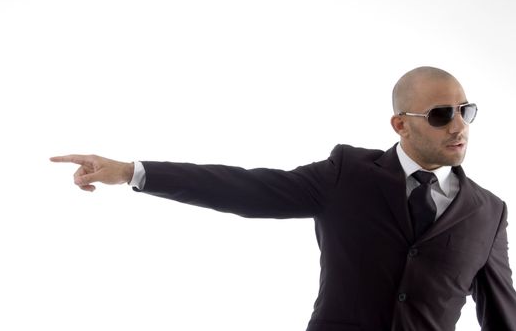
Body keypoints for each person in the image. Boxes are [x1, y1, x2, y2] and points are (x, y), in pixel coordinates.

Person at [51, 66, 516, 330]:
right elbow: (247, 188)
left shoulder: (489, 213)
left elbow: (501, 316)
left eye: (464, 111)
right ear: (400, 124)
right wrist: (134, 172)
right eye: (440, 114)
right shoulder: (347, 174)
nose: (458, 126)